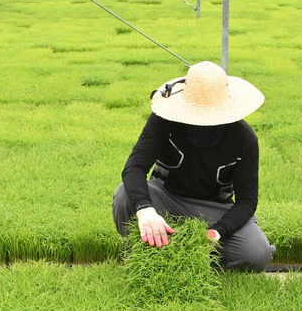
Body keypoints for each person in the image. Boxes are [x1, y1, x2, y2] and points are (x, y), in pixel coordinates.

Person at [112, 60, 275, 272]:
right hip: (165, 196)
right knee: (125, 195)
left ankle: (190, 261)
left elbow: (247, 201)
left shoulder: (244, 140)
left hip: (214, 208)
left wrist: (218, 231)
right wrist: (146, 210)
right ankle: (143, 251)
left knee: (256, 253)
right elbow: (134, 167)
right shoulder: (163, 121)